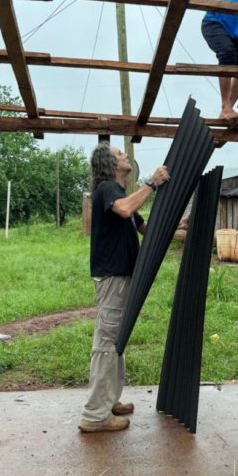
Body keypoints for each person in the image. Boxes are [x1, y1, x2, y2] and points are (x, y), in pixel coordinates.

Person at [78, 142, 170, 433]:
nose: (125, 155)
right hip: (113, 278)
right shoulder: (107, 189)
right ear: (110, 164)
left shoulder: (122, 196)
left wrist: (180, 223)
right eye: (120, 154)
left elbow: (146, 228)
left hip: (122, 277)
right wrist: (152, 183)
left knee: (116, 342)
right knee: (106, 345)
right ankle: (95, 416)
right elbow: (125, 208)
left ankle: (109, 402)